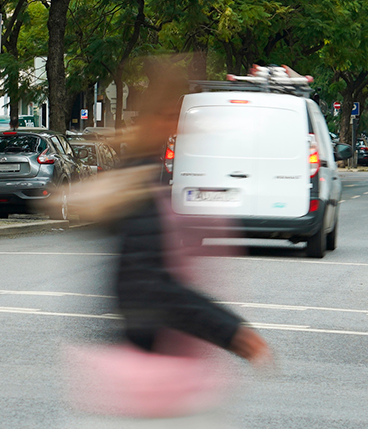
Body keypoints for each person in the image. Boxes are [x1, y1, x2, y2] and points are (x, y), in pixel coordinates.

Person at [66, 58, 271, 427]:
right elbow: (145, 284)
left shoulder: (143, 173)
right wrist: (230, 330)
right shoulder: (139, 183)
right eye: (175, 115)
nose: (183, 127)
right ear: (159, 119)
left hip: (156, 366)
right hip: (155, 375)